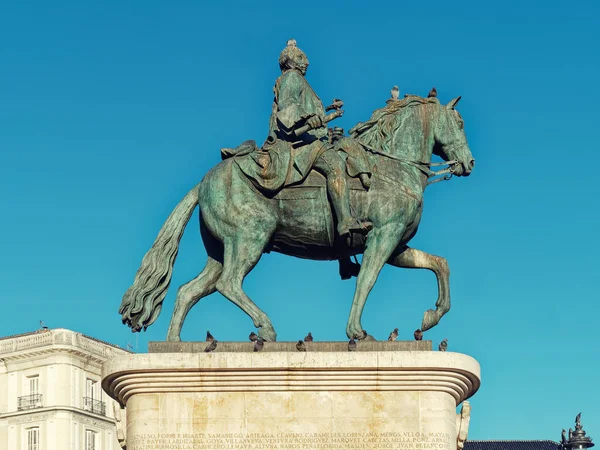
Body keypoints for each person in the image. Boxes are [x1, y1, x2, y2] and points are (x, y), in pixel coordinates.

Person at [270, 39, 371, 239]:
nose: (306, 62)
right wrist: (309, 118)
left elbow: (306, 113)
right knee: (335, 163)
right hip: (297, 144)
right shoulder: (292, 77)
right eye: (301, 58)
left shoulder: (299, 80)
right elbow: (288, 106)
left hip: (307, 139)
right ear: (290, 61)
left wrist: (325, 120)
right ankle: (345, 221)